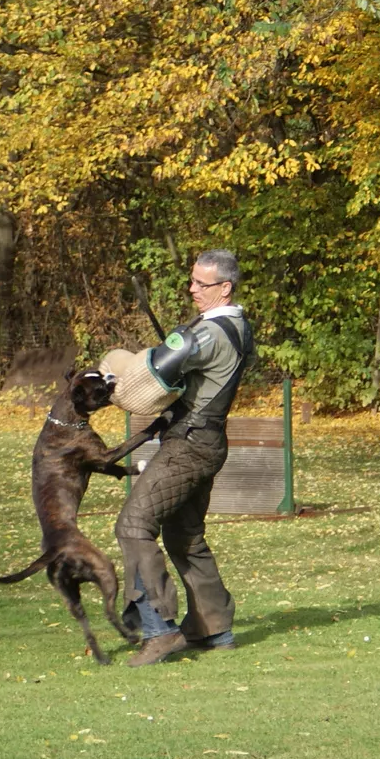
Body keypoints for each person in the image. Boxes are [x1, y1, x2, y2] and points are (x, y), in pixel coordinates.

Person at [116, 249, 255, 667]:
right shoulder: (241, 325)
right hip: (208, 440)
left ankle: (159, 630)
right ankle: (214, 630)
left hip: (188, 446)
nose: (192, 288)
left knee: (134, 525)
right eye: (191, 280)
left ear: (225, 288)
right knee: (184, 535)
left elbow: (155, 371)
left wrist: (114, 377)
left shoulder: (209, 332)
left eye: (201, 283)